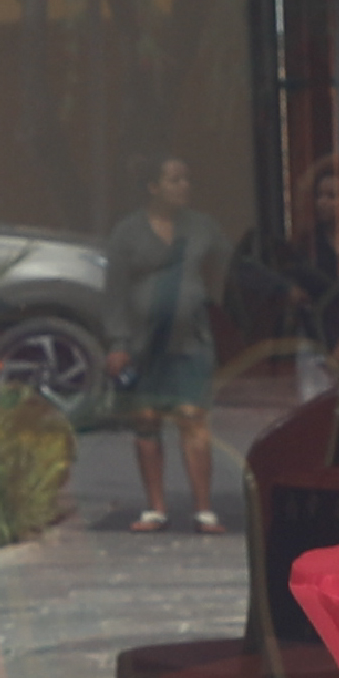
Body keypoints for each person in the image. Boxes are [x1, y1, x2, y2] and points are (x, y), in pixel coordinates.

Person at [102, 154, 232, 536]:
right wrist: (117, 342)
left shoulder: (202, 228)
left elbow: (223, 269)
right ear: (152, 187)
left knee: (194, 420)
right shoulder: (127, 233)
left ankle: (204, 510)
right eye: (174, 180)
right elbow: (116, 292)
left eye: (186, 179)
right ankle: (155, 507)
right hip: (143, 345)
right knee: (147, 422)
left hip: (192, 341)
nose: (183, 187)